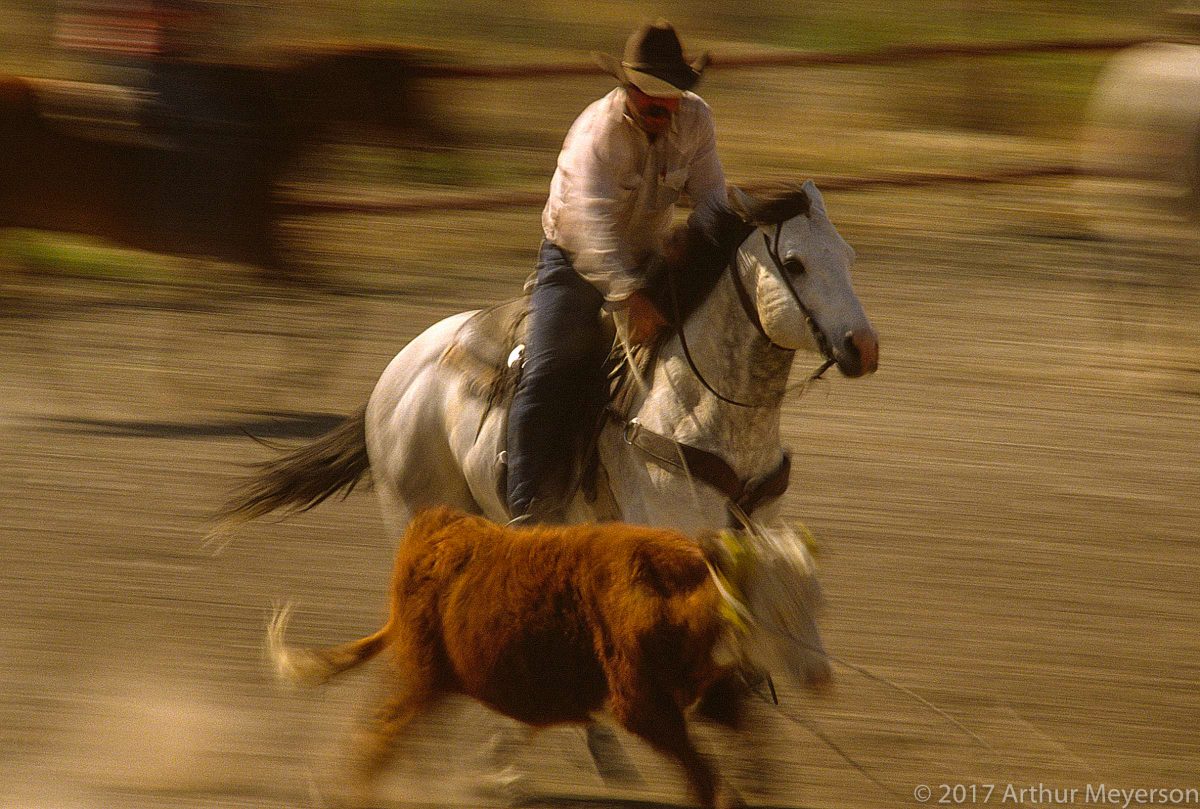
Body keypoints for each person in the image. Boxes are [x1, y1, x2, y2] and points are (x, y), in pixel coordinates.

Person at [505, 19, 731, 522]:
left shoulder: (697, 121)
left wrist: (706, 243)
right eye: (650, 94)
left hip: (648, 259)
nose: (661, 105)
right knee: (553, 365)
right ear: (627, 88)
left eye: (671, 95)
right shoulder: (596, 132)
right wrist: (631, 296)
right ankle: (526, 509)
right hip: (575, 262)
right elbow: (586, 223)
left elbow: (713, 203)